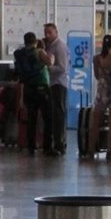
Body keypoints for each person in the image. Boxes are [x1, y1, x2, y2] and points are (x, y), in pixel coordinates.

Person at [86, 34, 111, 162]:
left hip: (102, 93)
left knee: (95, 122)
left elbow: (97, 76)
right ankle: (109, 153)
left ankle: (91, 151)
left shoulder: (96, 59)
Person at [14, 31, 54, 155]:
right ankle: (47, 147)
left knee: (32, 118)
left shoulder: (20, 54)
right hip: (42, 88)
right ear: (35, 41)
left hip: (28, 88)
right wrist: (51, 55)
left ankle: (31, 146)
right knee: (48, 118)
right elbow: (50, 62)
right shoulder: (39, 52)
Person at [43, 22, 69, 155]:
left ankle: (60, 143)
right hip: (52, 84)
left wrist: (48, 68)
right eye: (46, 32)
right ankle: (56, 142)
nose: (47, 35)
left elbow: (63, 68)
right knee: (55, 114)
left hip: (59, 84)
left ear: (56, 32)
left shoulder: (60, 47)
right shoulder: (50, 47)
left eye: (50, 32)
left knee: (59, 114)